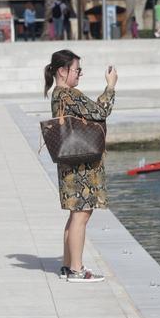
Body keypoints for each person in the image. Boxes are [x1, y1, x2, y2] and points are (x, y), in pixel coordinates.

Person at [44, 49, 117, 283]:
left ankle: (68, 265)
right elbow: (101, 111)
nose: (79, 74)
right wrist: (110, 86)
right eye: (77, 70)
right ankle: (76, 269)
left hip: (70, 162)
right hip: (81, 166)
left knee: (75, 215)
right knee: (81, 216)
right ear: (62, 71)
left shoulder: (58, 94)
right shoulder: (69, 94)